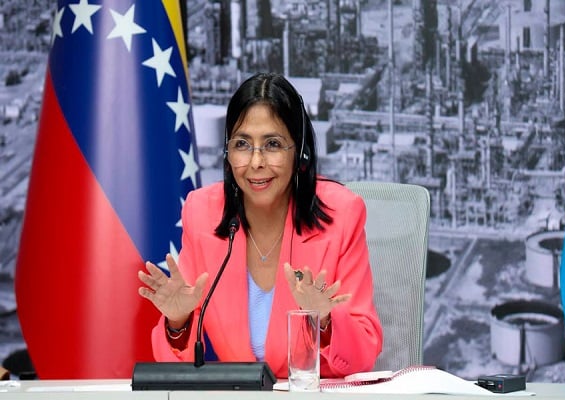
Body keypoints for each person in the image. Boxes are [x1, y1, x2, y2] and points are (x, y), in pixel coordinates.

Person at [138, 72, 383, 378]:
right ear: (228, 152)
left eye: (272, 144)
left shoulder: (342, 214)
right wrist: (178, 322)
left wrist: (325, 320)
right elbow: (175, 369)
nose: (256, 162)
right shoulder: (202, 213)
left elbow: (364, 354)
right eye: (242, 144)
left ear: (300, 152)